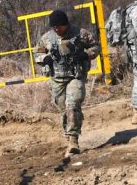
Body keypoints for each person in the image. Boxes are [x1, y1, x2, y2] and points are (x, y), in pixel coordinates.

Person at [34, 9, 100, 158]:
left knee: (73, 103)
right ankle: (69, 136)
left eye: (59, 26)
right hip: (57, 79)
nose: (57, 29)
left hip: (75, 76)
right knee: (63, 109)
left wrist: (85, 54)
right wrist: (44, 58)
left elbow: (96, 46)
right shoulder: (47, 38)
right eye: (54, 27)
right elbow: (37, 53)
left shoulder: (80, 34)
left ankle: (73, 140)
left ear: (66, 24)